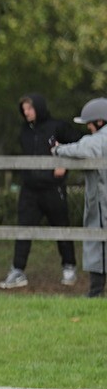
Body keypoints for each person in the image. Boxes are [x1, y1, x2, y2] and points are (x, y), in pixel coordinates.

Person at [0, 94, 81, 289]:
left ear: (39, 108)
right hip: (29, 190)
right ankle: (18, 271)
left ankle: (69, 266)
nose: (26, 113)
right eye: (24, 109)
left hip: (53, 188)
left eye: (30, 108)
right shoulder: (24, 131)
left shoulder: (57, 127)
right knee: (23, 229)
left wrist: (64, 164)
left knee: (62, 228)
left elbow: (79, 144)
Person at [53, 97, 107, 298]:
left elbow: (83, 148)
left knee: (96, 243)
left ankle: (96, 291)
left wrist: (58, 149)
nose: (89, 128)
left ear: (100, 122)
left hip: (102, 201)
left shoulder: (99, 140)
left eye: (90, 124)